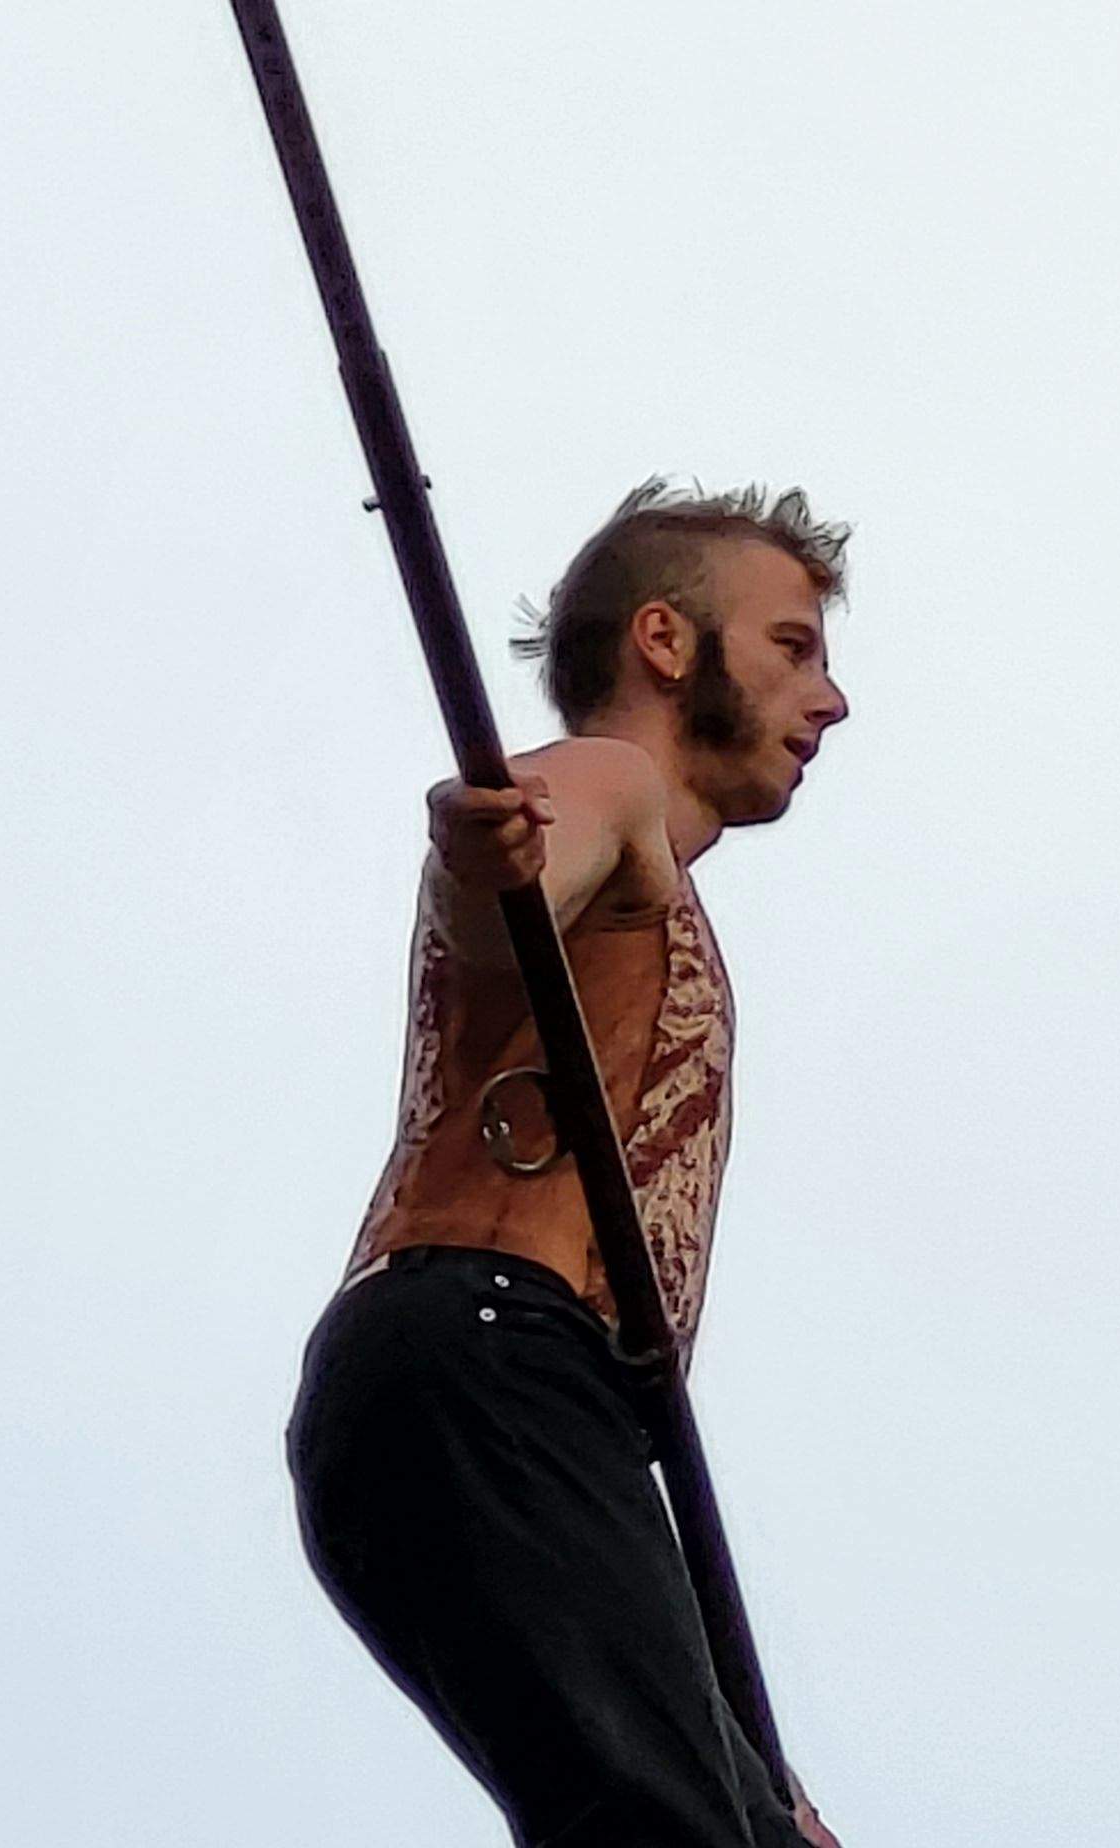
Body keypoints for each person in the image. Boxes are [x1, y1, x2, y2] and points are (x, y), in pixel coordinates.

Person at [289, 479, 854, 1847]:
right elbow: (513, 882)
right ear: (667, 641)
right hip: (487, 1350)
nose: (829, 700)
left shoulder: (655, 859)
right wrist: (492, 857)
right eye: (793, 646)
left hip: (509, 1407)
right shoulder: (616, 782)